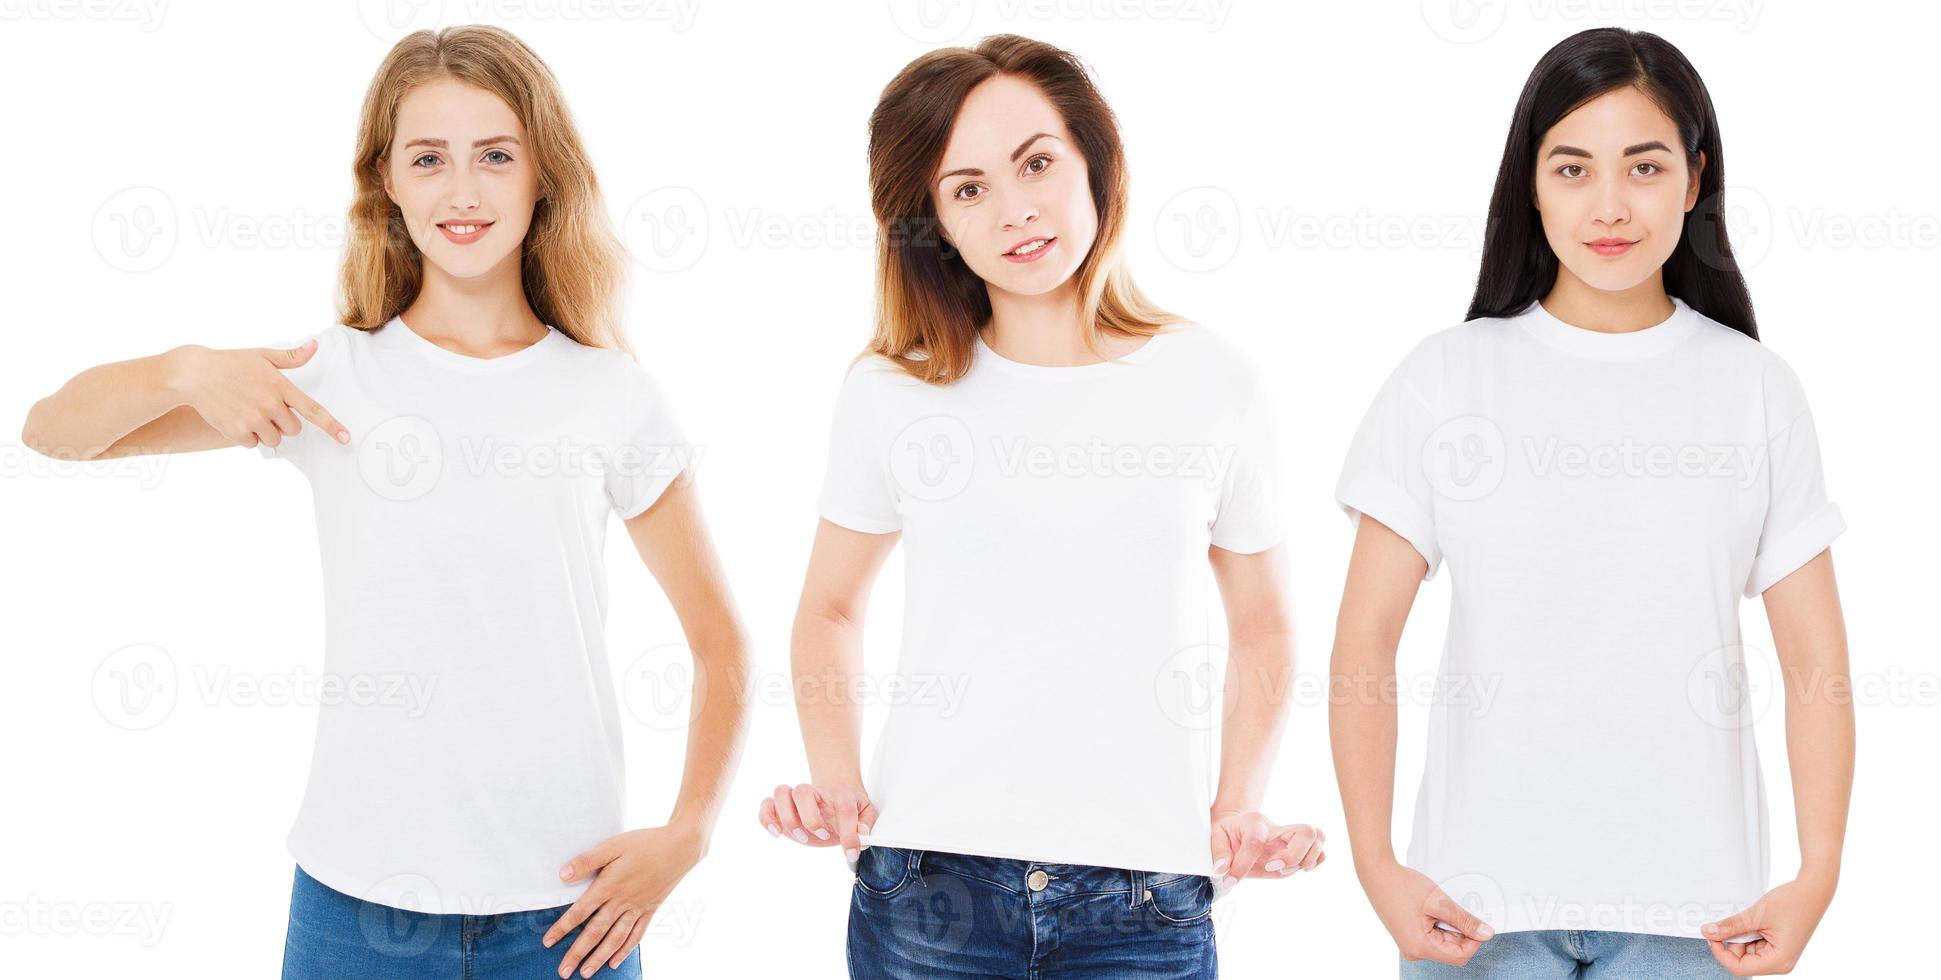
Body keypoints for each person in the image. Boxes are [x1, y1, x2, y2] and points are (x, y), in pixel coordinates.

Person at [20, 25, 751, 980]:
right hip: (352, 913)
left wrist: (687, 835)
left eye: (495, 155)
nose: (463, 191)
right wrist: (186, 368)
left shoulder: (611, 395)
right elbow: (52, 432)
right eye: (428, 158)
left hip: (570, 916)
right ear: (387, 182)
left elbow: (719, 643)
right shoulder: (333, 377)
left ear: (543, 176)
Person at [756, 35, 1324, 979]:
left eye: (1037, 163)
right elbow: (829, 607)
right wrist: (838, 785)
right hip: (927, 890)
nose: (1016, 209)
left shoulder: (1209, 380)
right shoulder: (892, 391)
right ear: (931, 220)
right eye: (967, 187)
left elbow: (1262, 625)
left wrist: (1236, 807)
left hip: (1146, 898)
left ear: (1093, 163)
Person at [1328, 27, 1853, 979]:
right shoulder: (1447, 378)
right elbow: (1365, 638)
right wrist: (1375, 863)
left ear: (1693, 180)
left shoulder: (1754, 389)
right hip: (1472, 916)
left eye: (1643, 167)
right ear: (1529, 183)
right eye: (1572, 168)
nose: (1609, 205)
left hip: (1699, 923)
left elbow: (1813, 656)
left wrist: (1816, 876)